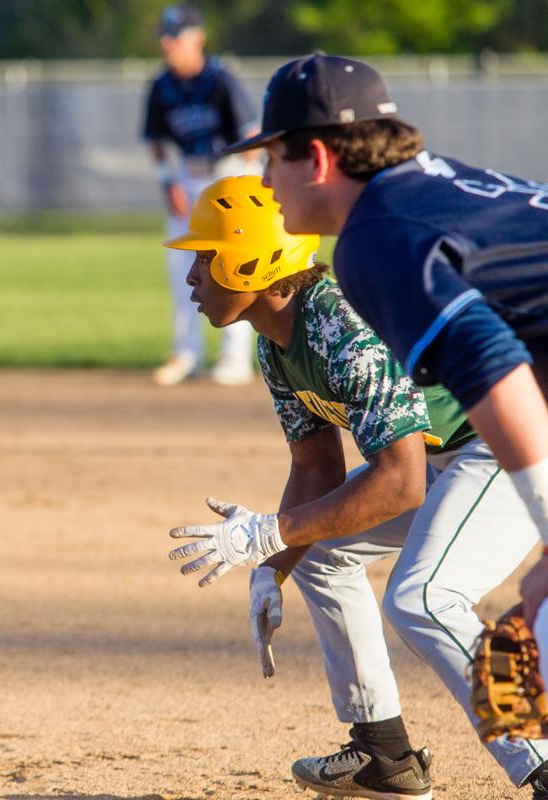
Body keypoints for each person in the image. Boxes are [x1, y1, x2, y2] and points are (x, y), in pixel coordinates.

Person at [165, 175, 548, 798]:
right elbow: (317, 471)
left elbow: (401, 484)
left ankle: (541, 757)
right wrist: (275, 564)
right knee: (321, 549)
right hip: (449, 454)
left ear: (247, 261)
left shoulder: (345, 328)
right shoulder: (277, 344)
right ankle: (384, 754)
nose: (191, 277)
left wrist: (266, 533)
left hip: (507, 441)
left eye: (204, 258)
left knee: (424, 597)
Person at [214, 55, 548, 729]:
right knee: (527, 617)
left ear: (315, 157)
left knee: (426, 597)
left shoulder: (378, 239)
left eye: (271, 159)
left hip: (481, 446)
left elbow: (497, 373)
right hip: (485, 439)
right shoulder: (425, 192)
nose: (264, 182)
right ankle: (386, 751)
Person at [142, 4, 259, 386]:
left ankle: (235, 357)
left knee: (235, 266)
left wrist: (238, 185)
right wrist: (167, 182)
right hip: (188, 179)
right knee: (180, 266)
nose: (167, 43)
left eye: (175, 36)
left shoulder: (221, 79)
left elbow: (252, 138)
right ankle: (187, 353)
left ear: (198, 38)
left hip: (230, 175)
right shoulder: (161, 86)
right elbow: (156, 141)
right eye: (165, 35)